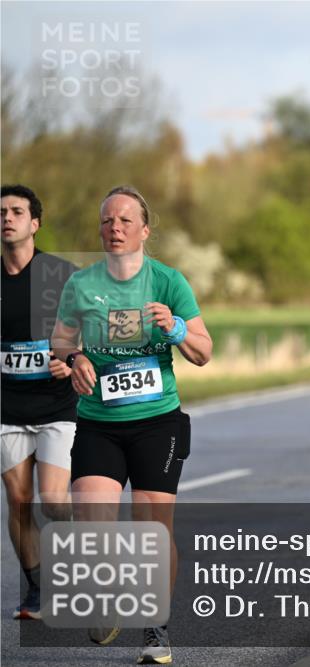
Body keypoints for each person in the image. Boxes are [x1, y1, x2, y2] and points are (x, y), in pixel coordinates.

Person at [51, 185, 213, 663]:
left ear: (145, 230)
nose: (114, 228)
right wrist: (74, 358)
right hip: (99, 422)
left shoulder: (168, 282)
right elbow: (60, 343)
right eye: (106, 221)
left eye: (124, 221)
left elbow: (204, 353)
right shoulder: (81, 285)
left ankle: (156, 630)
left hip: (156, 423)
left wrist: (177, 329)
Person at [1, 184, 77, 620]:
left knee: (52, 500)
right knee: (18, 500)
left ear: (35, 223)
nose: (6, 218)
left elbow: (88, 328)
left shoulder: (59, 274)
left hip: (54, 406)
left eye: (15, 211)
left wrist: (73, 359)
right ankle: (37, 590)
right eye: (0, 212)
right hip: (7, 407)